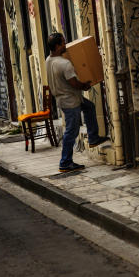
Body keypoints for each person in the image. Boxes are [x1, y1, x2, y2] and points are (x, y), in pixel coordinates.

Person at [45, 33, 109, 172]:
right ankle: (65, 163)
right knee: (71, 132)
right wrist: (85, 85)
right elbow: (74, 83)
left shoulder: (48, 60)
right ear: (57, 46)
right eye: (62, 43)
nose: (65, 45)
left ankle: (93, 138)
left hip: (64, 99)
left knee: (89, 107)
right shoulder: (64, 63)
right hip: (70, 101)